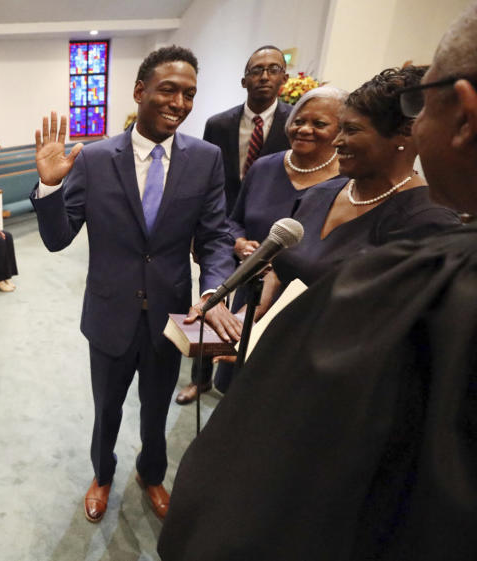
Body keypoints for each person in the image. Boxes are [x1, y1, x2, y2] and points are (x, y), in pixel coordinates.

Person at [159, 6, 477, 559]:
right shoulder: (324, 193)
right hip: (268, 375)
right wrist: (252, 324)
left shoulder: (436, 252)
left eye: (348, 130)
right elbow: (284, 265)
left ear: (464, 114)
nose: (331, 142)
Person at [29, 46, 240, 524]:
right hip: (108, 313)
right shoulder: (96, 158)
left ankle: (152, 473)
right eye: (168, 89)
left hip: (171, 313)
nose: (179, 102)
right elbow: (58, 238)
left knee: (156, 407)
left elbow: (215, 237)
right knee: (107, 410)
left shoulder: (205, 159)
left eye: (189, 94)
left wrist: (212, 292)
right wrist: (49, 188)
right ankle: (102, 476)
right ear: (139, 91)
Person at [178, 85, 348, 403]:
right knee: (236, 382)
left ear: (341, 130)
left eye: (319, 124)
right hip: (250, 284)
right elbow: (234, 218)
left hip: (300, 301)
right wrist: (240, 242)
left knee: (276, 393)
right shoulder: (265, 166)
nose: (305, 129)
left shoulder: (347, 182)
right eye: (299, 120)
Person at [269, 66, 459, 292]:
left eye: (351, 130)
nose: (337, 141)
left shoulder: (428, 220)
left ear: (406, 134)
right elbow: (281, 269)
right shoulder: (319, 194)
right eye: (339, 129)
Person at [203, 45, 292, 214]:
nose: (264, 77)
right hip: (223, 217)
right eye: (257, 70)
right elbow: (206, 177)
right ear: (244, 82)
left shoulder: (295, 125)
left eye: (273, 69)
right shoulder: (218, 125)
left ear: (284, 78)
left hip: (273, 218)